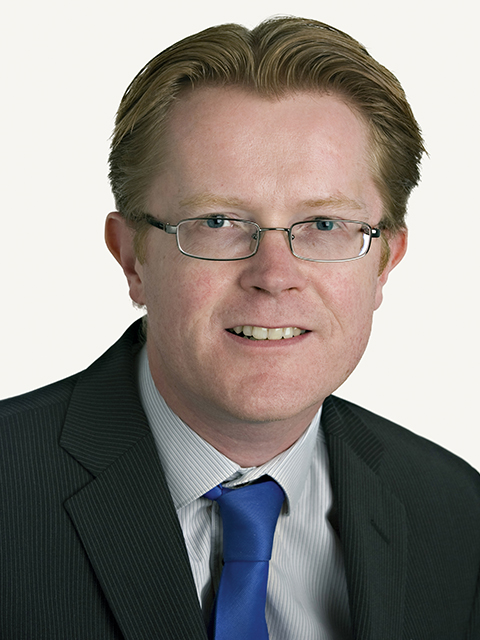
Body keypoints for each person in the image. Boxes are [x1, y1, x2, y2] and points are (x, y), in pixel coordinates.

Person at [1, 16, 479, 640]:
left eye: (326, 225)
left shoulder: (455, 513)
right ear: (133, 257)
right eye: (219, 222)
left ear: (385, 263)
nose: (274, 276)